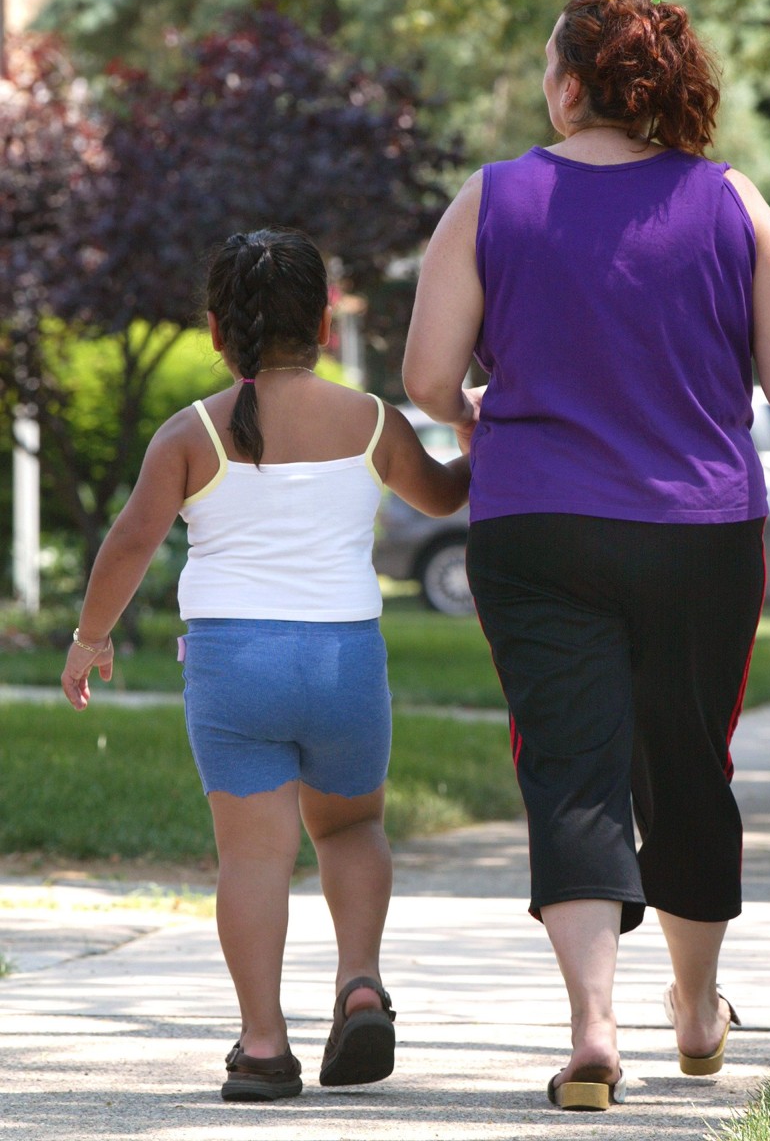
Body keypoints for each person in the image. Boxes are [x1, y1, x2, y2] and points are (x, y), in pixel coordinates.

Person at [402, 0, 770, 1111]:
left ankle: (592, 1031)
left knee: (569, 766)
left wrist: (487, 406)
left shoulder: (492, 199)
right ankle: (695, 1009)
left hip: (538, 527)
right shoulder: (732, 203)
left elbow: (428, 379)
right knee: (687, 766)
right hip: (701, 535)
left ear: (571, 84)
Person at [61, 226, 471, 1103]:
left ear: (217, 331)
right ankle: (359, 981)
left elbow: (131, 542)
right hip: (344, 662)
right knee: (351, 829)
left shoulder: (190, 432)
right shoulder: (371, 422)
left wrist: (90, 638)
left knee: (253, 858)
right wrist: (481, 427)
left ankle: (263, 1045)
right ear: (325, 325)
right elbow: (444, 496)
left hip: (232, 663)